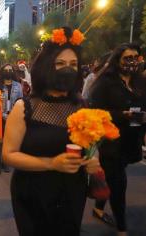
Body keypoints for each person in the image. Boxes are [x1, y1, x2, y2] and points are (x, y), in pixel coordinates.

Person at [2, 27, 101, 236]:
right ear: (47, 67)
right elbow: (8, 155)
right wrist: (51, 163)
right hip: (33, 193)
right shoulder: (25, 107)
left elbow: (90, 146)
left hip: (72, 191)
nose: (68, 69)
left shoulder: (82, 105)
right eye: (61, 64)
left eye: (73, 64)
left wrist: (93, 160)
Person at [89, 43, 146, 236]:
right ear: (117, 60)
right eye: (127, 58)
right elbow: (94, 112)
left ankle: (98, 208)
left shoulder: (140, 82)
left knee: (112, 176)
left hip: (132, 139)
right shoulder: (105, 82)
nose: (132, 62)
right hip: (110, 142)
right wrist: (122, 115)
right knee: (118, 184)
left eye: (135, 57)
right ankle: (122, 228)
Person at [0, 63, 23, 175]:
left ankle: (5, 161)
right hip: (0, 116)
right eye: (6, 70)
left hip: (13, 116)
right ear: (2, 72)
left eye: (10, 70)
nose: (8, 71)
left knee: (8, 141)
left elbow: (21, 100)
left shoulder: (18, 85)